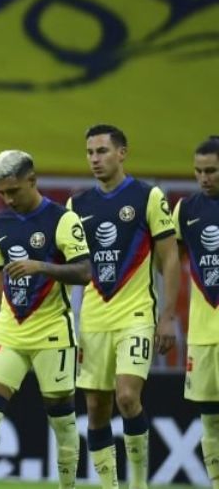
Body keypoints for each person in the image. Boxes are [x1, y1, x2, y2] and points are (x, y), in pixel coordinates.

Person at [0, 150, 91, 489]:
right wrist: (1, 314)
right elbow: (1, 276)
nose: (8, 199)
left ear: (32, 180)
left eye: (13, 191)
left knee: (61, 417)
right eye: (1, 193)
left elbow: (85, 272)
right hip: (10, 329)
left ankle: (67, 485)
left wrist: (41, 267)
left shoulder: (62, 220)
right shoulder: (1, 223)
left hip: (52, 331)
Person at [69, 125, 179, 489]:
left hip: (135, 315)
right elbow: (69, 264)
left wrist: (167, 316)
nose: (94, 159)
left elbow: (170, 258)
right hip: (93, 319)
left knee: (128, 398)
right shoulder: (77, 206)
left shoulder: (148, 197)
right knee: (96, 409)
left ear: (122, 153)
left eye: (102, 151)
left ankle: (137, 484)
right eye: (90, 152)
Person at [172, 136, 219, 489]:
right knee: (210, 420)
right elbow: (168, 261)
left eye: (212, 171)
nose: (204, 178)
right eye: (199, 171)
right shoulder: (186, 210)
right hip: (202, 333)